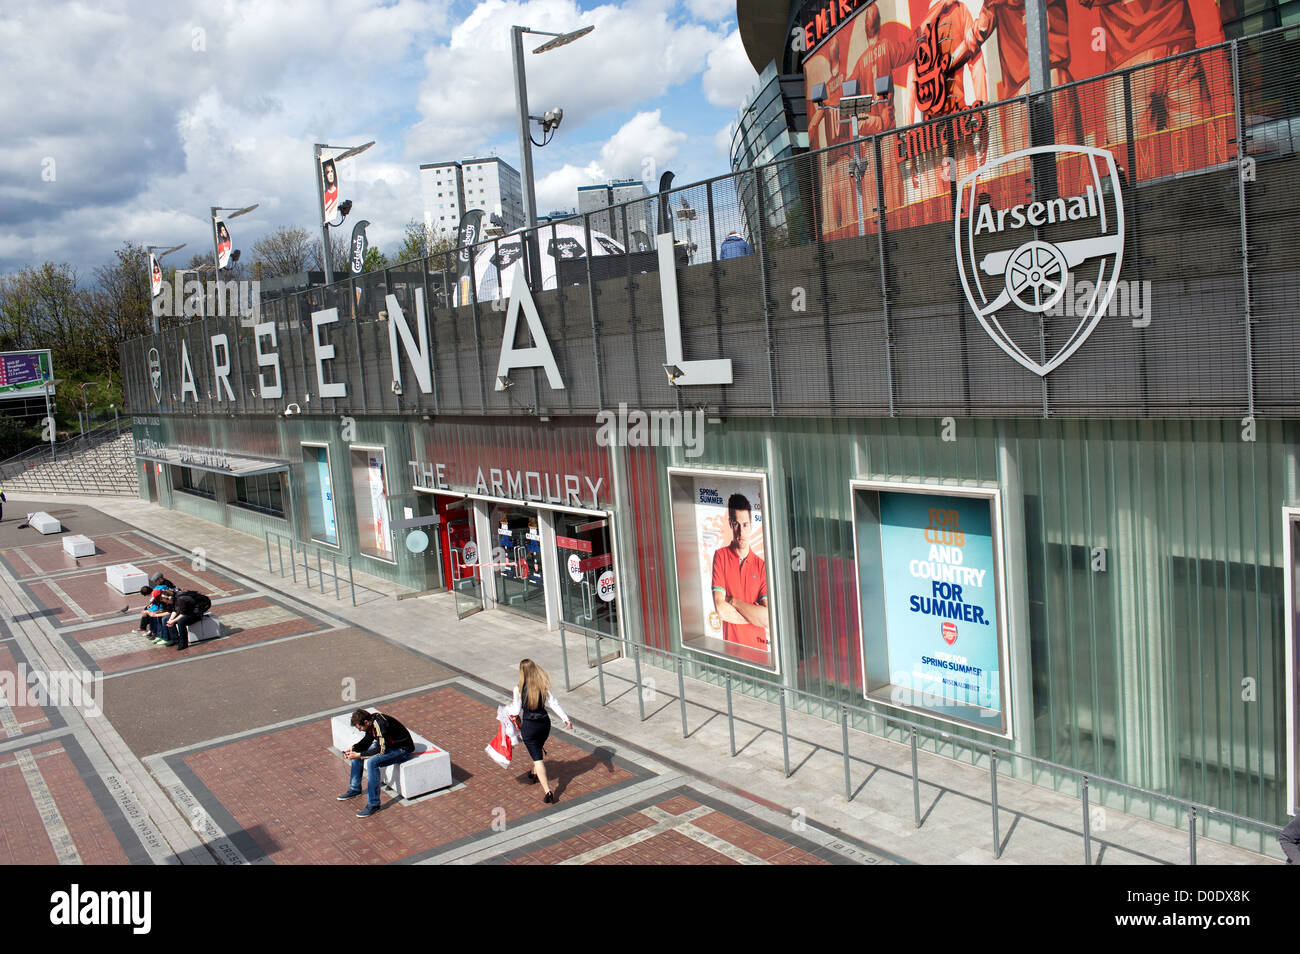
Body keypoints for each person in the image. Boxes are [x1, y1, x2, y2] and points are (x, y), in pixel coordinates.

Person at [711, 493, 770, 656]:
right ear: (730, 524)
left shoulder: (761, 566)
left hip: (760, 654)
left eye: (745, 524)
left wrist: (734, 601)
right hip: (731, 652)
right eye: (736, 524)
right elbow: (721, 609)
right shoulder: (720, 556)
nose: (741, 531)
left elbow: (767, 618)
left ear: (751, 525)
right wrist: (753, 615)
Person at [505, 659, 571, 804]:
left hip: (530, 726)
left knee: (538, 759)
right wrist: (565, 719)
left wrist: (505, 711)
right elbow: (553, 703)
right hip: (544, 725)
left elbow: (516, 710)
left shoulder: (519, 688)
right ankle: (534, 773)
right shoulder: (543, 685)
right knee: (538, 748)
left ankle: (548, 791)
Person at [337, 708, 416, 818]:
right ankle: (355, 788)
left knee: (372, 762)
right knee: (358, 752)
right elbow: (367, 740)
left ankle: (373, 804)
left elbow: (381, 750)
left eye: (359, 727)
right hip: (389, 746)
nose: (359, 730)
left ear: (365, 722)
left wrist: (359, 755)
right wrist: (353, 749)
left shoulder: (380, 724)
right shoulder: (371, 722)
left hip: (403, 750)